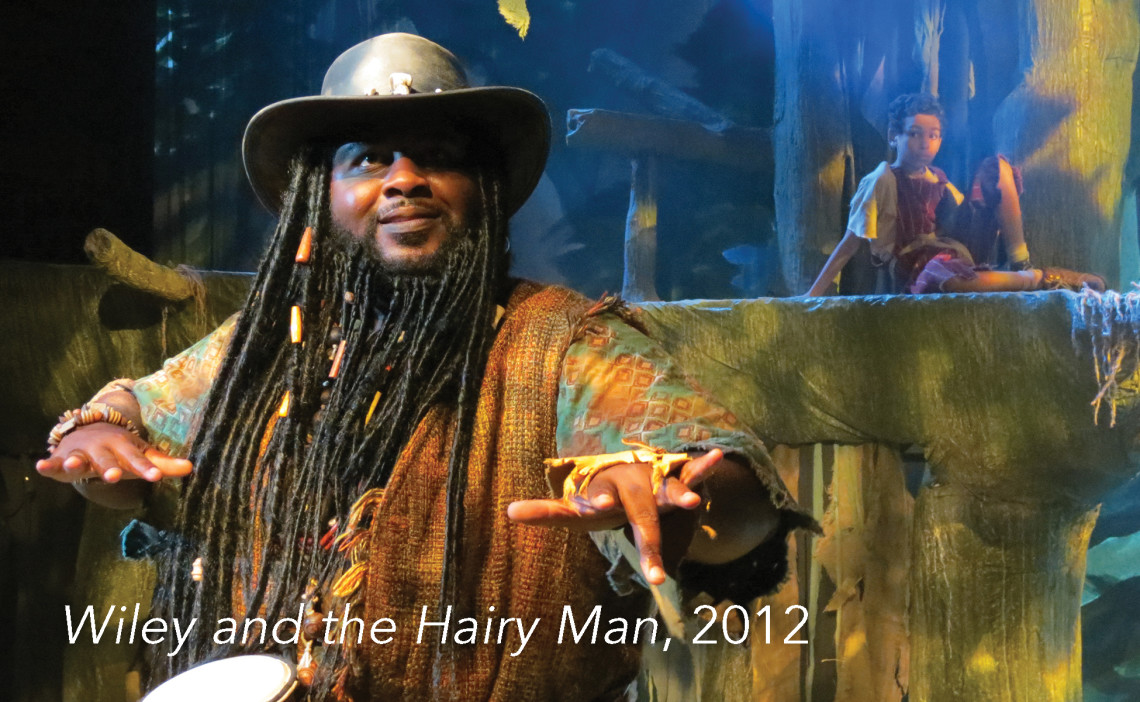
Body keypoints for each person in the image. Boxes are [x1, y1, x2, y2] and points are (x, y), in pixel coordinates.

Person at [36, 34, 812, 700]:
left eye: (438, 158)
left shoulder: (568, 345)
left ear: (483, 192)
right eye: (369, 159)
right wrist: (99, 435)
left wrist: (685, 499)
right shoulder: (271, 343)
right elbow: (131, 419)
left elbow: (732, 499)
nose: (405, 177)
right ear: (319, 197)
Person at [805, 92, 1105, 296]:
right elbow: (850, 243)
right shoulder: (882, 179)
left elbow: (971, 215)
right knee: (944, 276)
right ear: (893, 136)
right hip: (917, 268)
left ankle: (1021, 262)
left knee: (996, 168)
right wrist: (812, 295)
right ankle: (1041, 279)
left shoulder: (939, 179)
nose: (925, 143)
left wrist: (991, 219)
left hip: (955, 250)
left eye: (934, 135)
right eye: (915, 133)